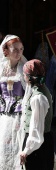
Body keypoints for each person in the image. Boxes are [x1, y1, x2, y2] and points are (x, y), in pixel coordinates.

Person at [19, 59, 54, 170]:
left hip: (38, 147)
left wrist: (27, 150)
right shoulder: (37, 90)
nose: (23, 76)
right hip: (37, 143)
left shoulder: (38, 97)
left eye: (24, 74)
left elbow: (37, 129)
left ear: (29, 77)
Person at [0, 34, 27, 169]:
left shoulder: (24, 69)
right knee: (4, 144)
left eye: (21, 49)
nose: (19, 53)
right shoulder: (1, 69)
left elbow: (29, 92)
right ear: (6, 51)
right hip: (4, 115)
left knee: (18, 144)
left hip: (20, 114)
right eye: (15, 49)